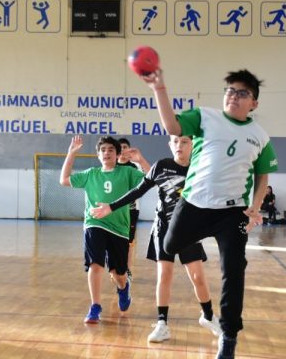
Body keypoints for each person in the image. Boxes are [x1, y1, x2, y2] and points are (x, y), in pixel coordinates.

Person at [140, 67, 278, 359]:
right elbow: (172, 126)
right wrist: (158, 88)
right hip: (193, 204)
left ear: (254, 103)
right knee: (170, 245)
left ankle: (229, 333)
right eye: (230, 91)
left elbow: (263, 175)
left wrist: (255, 207)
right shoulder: (205, 117)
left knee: (234, 269)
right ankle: (194, 246)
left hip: (232, 212)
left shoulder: (260, 137)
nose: (234, 97)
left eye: (242, 93)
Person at [91, 135, 222, 342]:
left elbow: (212, 200)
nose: (179, 145)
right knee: (164, 275)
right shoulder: (162, 166)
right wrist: (111, 207)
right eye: (175, 142)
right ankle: (162, 324)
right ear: (170, 145)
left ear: (193, 145)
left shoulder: (199, 169)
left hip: (189, 230)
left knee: (198, 277)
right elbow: (138, 191)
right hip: (163, 229)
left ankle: (208, 316)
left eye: (184, 142)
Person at [60, 135, 144, 324]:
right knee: (95, 264)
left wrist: (140, 161)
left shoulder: (127, 173)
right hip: (94, 223)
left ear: (118, 154)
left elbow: (152, 179)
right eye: (103, 150)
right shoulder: (91, 174)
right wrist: (71, 153)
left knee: (118, 274)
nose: (107, 153)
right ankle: (95, 306)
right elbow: (64, 179)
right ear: (98, 155)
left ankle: (123, 288)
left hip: (119, 228)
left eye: (111, 150)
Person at [116, 138, 150, 281]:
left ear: (129, 149)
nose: (122, 150)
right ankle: (115, 267)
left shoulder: (135, 166)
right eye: (120, 147)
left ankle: (127, 269)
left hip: (131, 210)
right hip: (113, 210)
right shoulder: (111, 166)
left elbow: (150, 177)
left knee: (129, 242)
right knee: (114, 240)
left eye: (125, 147)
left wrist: (141, 160)